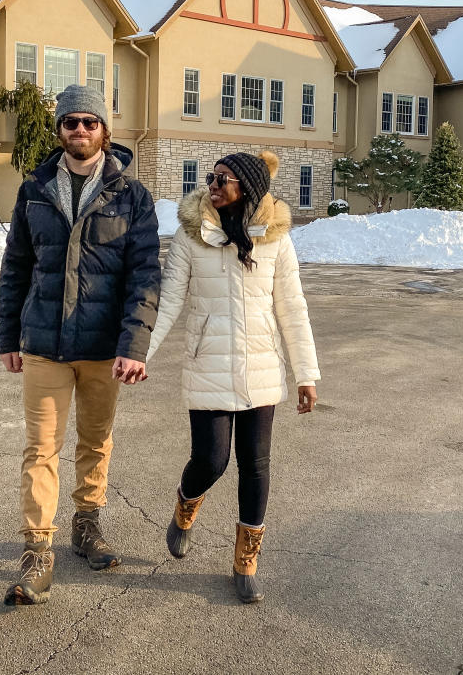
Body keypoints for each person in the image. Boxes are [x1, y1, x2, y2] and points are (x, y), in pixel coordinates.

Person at [0, 83, 161, 605]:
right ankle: (37, 554)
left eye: (91, 122)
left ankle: (86, 523)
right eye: (72, 123)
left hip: (103, 348)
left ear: (105, 132)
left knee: (95, 442)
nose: (81, 130)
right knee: (41, 448)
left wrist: (134, 344)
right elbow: (16, 268)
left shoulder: (132, 196)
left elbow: (145, 277)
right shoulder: (33, 190)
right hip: (44, 341)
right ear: (60, 130)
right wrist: (8, 335)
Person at [147, 150, 319, 603]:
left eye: (223, 178)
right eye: (211, 177)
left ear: (248, 186)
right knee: (212, 460)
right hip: (207, 363)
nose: (214, 185)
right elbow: (168, 302)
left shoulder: (275, 240)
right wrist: (139, 354)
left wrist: (306, 374)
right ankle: (185, 508)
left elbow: (292, 309)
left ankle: (246, 562)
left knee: (255, 465)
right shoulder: (192, 236)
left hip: (262, 366)